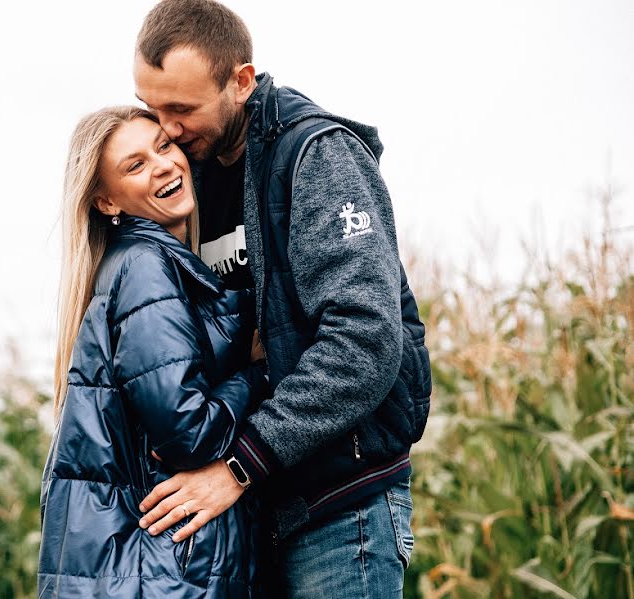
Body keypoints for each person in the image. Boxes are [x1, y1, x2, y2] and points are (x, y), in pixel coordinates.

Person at [132, 1, 433, 596]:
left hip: (342, 512)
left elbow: (364, 344)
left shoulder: (317, 158)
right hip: (257, 513)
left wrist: (240, 465)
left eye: (182, 109)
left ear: (240, 81)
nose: (165, 130)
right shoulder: (193, 174)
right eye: (153, 108)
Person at [38, 105, 269, 598]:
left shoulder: (156, 264)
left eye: (163, 147)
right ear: (106, 202)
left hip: (156, 568)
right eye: (135, 165)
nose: (162, 165)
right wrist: (255, 373)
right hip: (164, 570)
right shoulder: (145, 267)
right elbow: (188, 434)